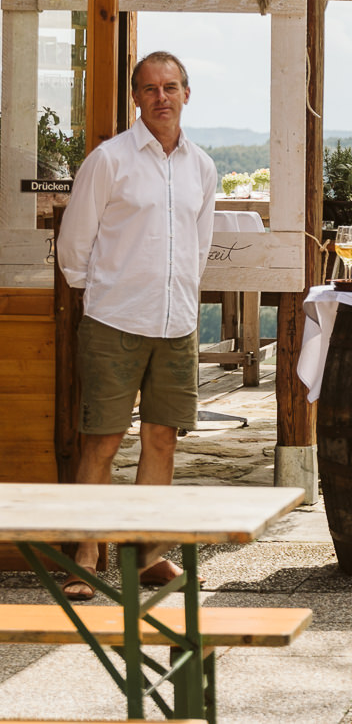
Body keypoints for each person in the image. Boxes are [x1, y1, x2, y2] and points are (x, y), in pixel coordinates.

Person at [56, 52, 217, 600]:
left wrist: (180, 296)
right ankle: (86, 553)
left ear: (186, 94)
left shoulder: (201, 166)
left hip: (176, 322)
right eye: (149, 89)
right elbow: (74, 246)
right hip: (115, 322)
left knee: (162, 438)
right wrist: (104, 292)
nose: (161, 97)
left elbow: (199, 243)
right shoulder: (109, 160)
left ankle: (148, 556)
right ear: (136, 98)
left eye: (171, 86)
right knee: (101, 439)